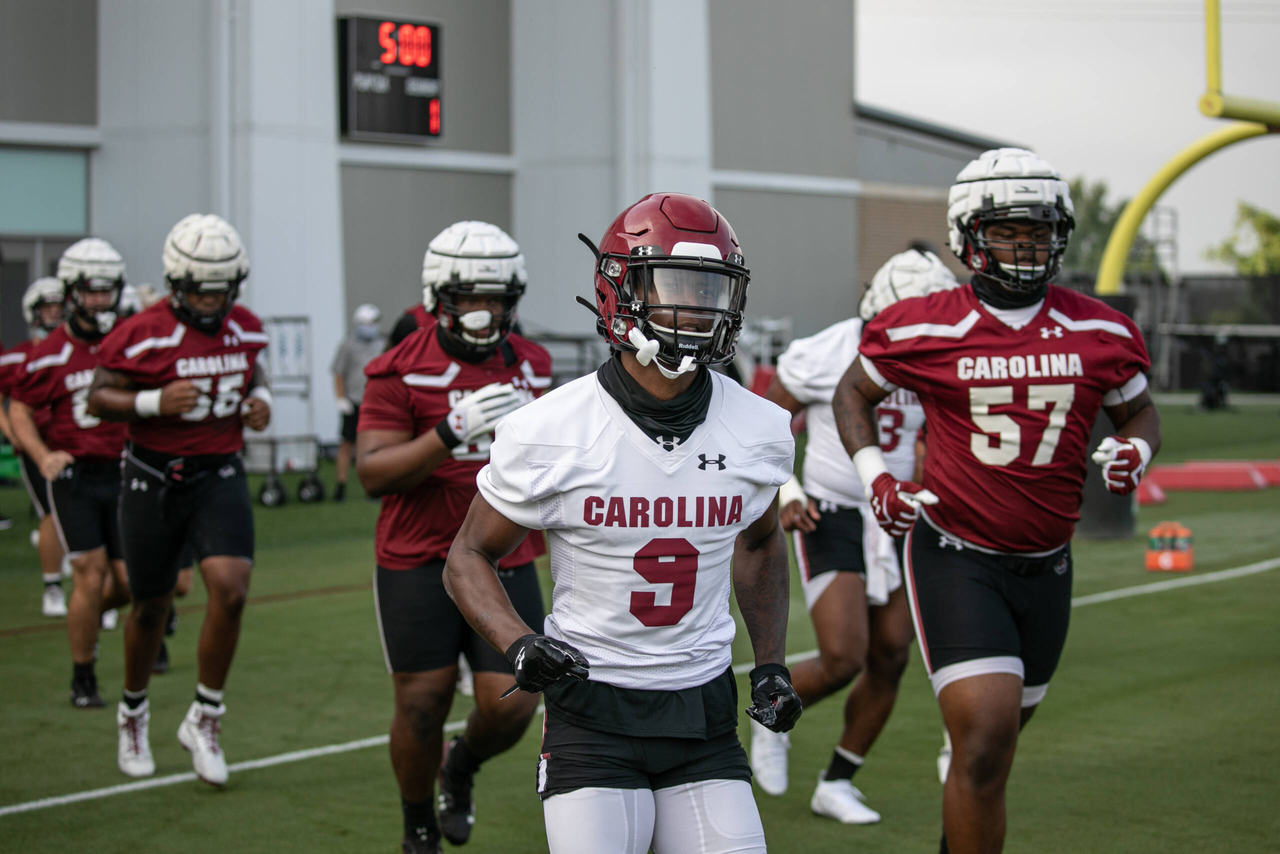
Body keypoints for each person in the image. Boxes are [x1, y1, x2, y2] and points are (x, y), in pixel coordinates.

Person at [444, 194, 802, 854]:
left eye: (710, 292)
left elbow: (759, 540)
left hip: (703, 709)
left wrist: (772, 664)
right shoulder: (550, 430)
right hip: (592, 713)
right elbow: (467, 555)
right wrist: (518, 642)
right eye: (675, 289)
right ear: (620, 291)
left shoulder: (759, 428)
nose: (696, 310)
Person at [832, 148, 1160, 854]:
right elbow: (851, 392)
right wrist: (875, 478)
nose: (1027, 245)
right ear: (968, 235)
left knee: (995, 749)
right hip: (957, 554)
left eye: (1040, 230)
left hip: (1047, 564)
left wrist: (1138, 449)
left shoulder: (1101, 330)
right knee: (982, 743)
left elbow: (1139, 413)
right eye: (1009, 229)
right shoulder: (924, 325)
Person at [355, 222, 550, 854]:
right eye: (470, 296)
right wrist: (447, 432)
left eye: (496, 298)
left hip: (503, 553)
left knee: (515, 702)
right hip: (418, 557)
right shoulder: (397, 369)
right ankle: (417, 828)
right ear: (440, 295)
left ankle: (459, 767)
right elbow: (372, 472)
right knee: (422, 703)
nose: (484, 311)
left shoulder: (533, 364)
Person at [753, 247, 959, 823]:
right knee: (844, 655)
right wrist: (787, 493)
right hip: (832, 509)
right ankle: (770, 718)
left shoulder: (943, 352)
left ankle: (838, 781)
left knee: (891, 653)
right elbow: (764, 429)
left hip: (898, 514)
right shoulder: (829, 350)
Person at [88, 213, 272, 785]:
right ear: (175, 282)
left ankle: (205, 715)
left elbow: (251, 365)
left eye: (222, 290)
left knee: (232, 589)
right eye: (200, 290)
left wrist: (260, 396)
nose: (212, 302)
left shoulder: (243, 325)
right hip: (151, 474)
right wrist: (151, 404)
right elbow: (97, 396)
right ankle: (133, 710)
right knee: (150, 604)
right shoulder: (142, 330)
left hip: (218, 470)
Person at [8, 241, 133, 708]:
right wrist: (41, 455)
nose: (100, 301)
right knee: (88, 570)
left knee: (130, 582)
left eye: (108, 291)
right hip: (76, 476)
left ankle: (83, 620)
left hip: (124, 472)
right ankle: (84, 676)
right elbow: (19, 408)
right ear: (72, 291)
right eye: (90, 291)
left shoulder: (129, 339)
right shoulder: (51, 352)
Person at [0, 277, 69, 616]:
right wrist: (13, 432)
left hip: (77, 445)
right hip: (38, 444)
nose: (55, 313)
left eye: (59, 306)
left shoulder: (77, 350)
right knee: (50, 513)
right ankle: (53, 585)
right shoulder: (18, 357)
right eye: (48, 307)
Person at [331, 303, 386, 502]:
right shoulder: (348, 345)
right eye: (365, 323)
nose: (369, 326)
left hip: (376, 403)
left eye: (372, 322)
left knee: (375, 447)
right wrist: (340, 399)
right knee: (346, 443)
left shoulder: (382, 344)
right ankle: (341, 486)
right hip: (353, 401)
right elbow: (338, 373)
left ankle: (373, 488)